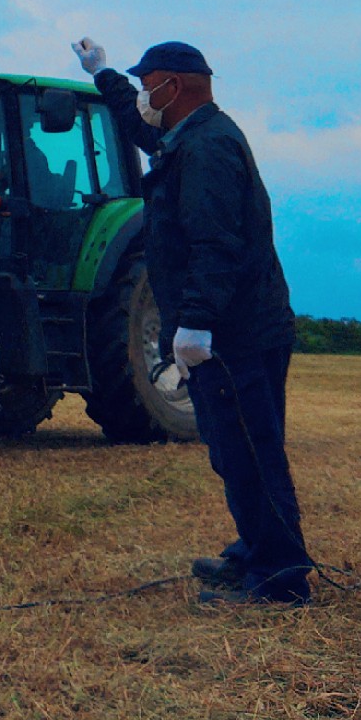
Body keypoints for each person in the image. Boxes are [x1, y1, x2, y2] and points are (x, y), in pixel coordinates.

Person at [71, 37, 312, 606]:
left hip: (237, 334)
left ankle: (280, 581)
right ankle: (255, 551)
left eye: (145, 83)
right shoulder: (189, 136)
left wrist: (197, 322)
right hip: (230, 331)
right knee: (231, 451)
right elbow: (138, 125)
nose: (142, 94)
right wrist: (103, 74)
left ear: (172, 86)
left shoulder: (208, 150)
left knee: (252, 452)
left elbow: (216, 245)